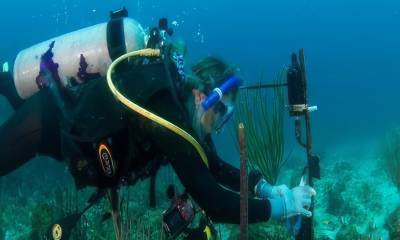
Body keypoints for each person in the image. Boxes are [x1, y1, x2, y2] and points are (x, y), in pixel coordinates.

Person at [0, 13, 315, 237]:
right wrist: (279, 207)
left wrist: (265, 187)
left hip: (72, 141)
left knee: (8, 90)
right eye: (219, 111)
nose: (219, 123)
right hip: (50, 121)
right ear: (199, 94)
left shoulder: (186, 117)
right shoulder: (166, 111)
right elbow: (214, 202)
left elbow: (215, 167)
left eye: (226, 117)